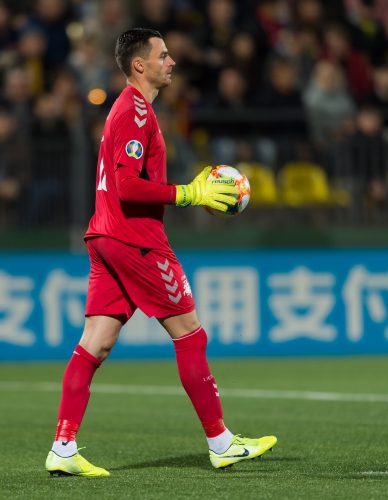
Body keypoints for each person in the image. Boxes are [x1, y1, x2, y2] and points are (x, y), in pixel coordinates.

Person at [45, 28, 277, 477]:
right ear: (140, 65)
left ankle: (63, 445)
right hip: (135, 238)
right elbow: (129, 185)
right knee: (190, 333)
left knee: (96, 342)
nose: (171, 62)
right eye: (163, 55)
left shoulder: (131, 110)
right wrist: (189, 194)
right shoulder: (133, 111)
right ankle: (221, 441)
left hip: (104, 235)